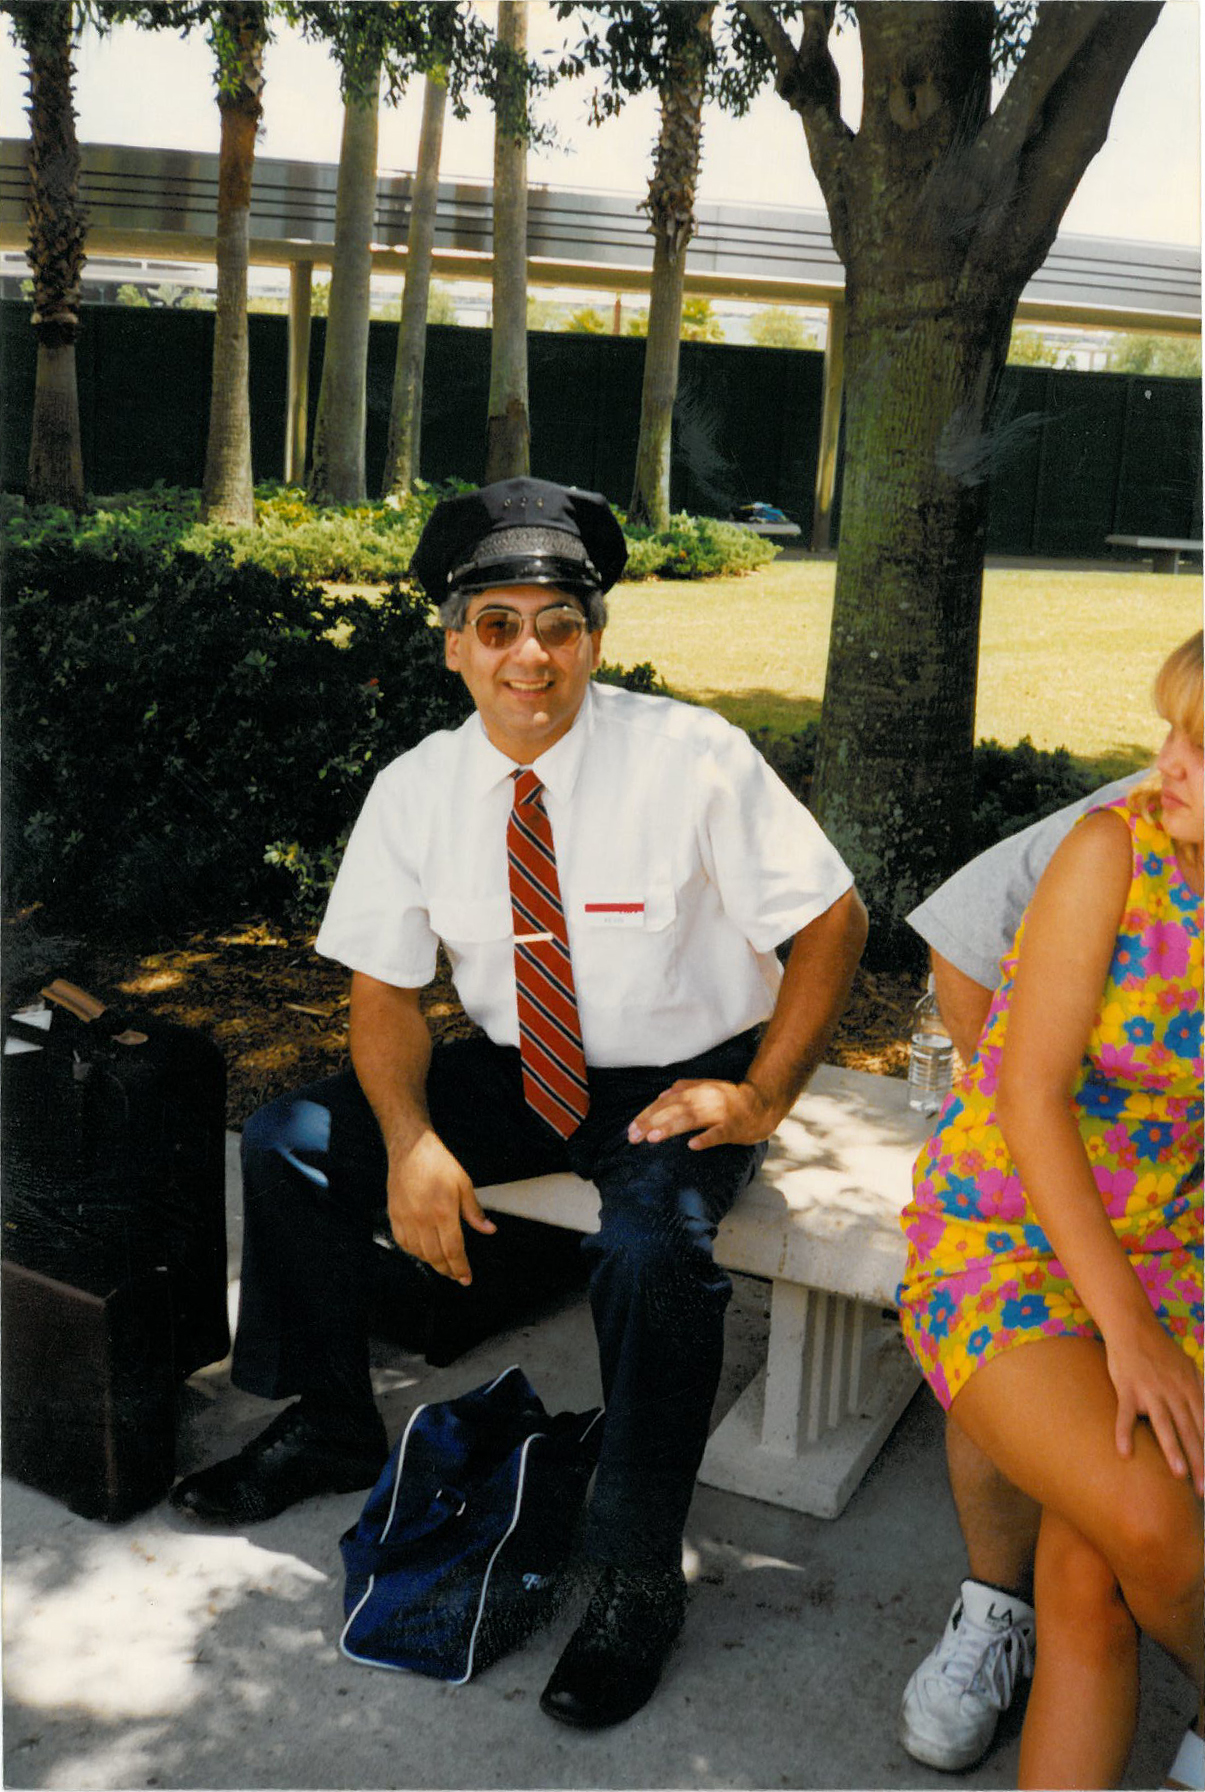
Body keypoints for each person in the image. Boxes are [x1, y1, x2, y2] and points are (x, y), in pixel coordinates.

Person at [170, 476, 868, 1731]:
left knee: (652, 1249)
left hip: (674, 1070)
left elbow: (832, 920)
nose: (528, 654)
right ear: (455, 644)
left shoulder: (692, 756)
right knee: (287, 1144)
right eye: (496, 623)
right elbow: (384, 995)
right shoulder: (416, 789)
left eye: (557, 622)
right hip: (513, 1060)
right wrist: (412, 1139)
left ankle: (635, 1568)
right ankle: (329, 1423)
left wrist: (762, 1090)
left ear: (594, 638)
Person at [897, 632, 1203, 1790]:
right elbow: (1023, 1096)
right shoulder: (1109, 850)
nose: (1163, 762)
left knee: (1089, 1578)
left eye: (1200, 746)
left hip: (1177, 1238)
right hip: (1006, 1229)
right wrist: (1130, 1330)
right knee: (1154, 1529)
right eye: (1169, 727)